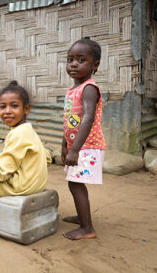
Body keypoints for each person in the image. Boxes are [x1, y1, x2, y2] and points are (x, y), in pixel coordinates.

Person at [61, 37, 106, 240]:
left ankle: (87, 228)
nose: (73, 64)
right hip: (77, 146)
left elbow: (88, 118)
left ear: (94, 65)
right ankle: (82, 217)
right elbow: (70, 120)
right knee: (74, 183)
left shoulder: (89, 88)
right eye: (70, 59)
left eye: (81, 60)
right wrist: (65, 145)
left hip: (87, 146)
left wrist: (75, 150)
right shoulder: (72, 89)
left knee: (76, 184)